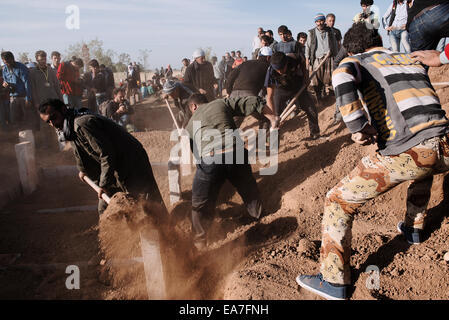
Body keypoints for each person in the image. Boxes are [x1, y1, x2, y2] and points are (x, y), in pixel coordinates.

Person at [296, 22, 449, 300]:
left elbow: (341, 75)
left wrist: (357, 127)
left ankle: (333, 281)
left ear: (353, 49)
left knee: (336, 201)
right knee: (422, 168)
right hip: (445, 144)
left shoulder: (358, 60)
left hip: (413, 150)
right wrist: (443, 56)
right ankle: (414, 229)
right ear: (379, 38)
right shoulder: (407, 57)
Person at [38, 98, 166, 216]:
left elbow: (106, 154)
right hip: (116, 167)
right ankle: (124, 240)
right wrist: (83, 170)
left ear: (63, 110)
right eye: (48, 121)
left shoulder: (81, 124)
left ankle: (167, 235)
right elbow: (80, 152)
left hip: (131, 162)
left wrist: (104, 184)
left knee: (146, 203)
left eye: (53, 117)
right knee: (105, 209)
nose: (53, 124)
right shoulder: (70, 127)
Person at [185, 93, 277, 249]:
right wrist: (273, 118)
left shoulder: (189, 125)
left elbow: (198, 157)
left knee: (199, 203)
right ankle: (262, 221)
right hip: (236, 153)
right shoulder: (221, 103)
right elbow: (252, 100)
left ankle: (199, 244)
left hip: (210, 159)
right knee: (249, 189)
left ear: (193, 107)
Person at [265, 51, 320, 139]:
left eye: (282, 68)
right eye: (277, 70)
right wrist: (273, 117)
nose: (279, 71)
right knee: (276, 117)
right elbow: (270, 97)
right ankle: (274, 144)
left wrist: (305, 76)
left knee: (311, 109)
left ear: (286, 62)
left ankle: (315, 134)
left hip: (298, 86)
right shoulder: (271, 72)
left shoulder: (293, 58)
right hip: (281, 90)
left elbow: (303, 62)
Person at [225, 46, 273, 129]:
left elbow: (231, 77)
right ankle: (262, 140)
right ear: (268, 57)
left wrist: (229, 92)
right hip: (249, 96)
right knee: (265, 119)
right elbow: (267, 85)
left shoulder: (245, 63)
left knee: (235, 123)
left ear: (259, 55)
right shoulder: (267, 67)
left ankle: (229, 141)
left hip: (234, 95)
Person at [306, 13, 339, 101]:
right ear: (315, 23)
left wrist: (336, 56)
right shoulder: (311, 33)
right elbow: (308, 47)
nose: (319, 23)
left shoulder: (330, 31)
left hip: (329, 57)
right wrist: (307, 59)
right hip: (317, 59)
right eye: (317, 21)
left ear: (324, 21)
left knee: (330, 78)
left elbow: (335, 45)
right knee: (317, 80)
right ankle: (319, 98)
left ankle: (332, 97)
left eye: (321, 21)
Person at [29, 50, 63, 131]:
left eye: (44, 59)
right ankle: (46, 142)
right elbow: (33, 89)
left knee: (57, 121)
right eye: (41, 59)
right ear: (37, 59)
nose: (43, 61)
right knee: (44, 123)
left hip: (53, 100)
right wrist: (36, 102)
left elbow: (57, 86)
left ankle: (59, 142)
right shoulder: (32, 72)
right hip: (42, 102)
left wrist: (61, 100)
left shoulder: (51, 70)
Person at [1, 51, 32, 128]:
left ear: (12, 59)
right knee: (14, 120)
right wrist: (5, 84)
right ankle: (18, 137)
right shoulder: (4, 69)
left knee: (27, 119)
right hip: (12, 97)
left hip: (23, 97)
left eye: (8, 61)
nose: (7, 64)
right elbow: (5, 81)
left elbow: (27, 83)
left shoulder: (21, 67)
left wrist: (28, 98)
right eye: (5, 62)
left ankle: (30, 137)